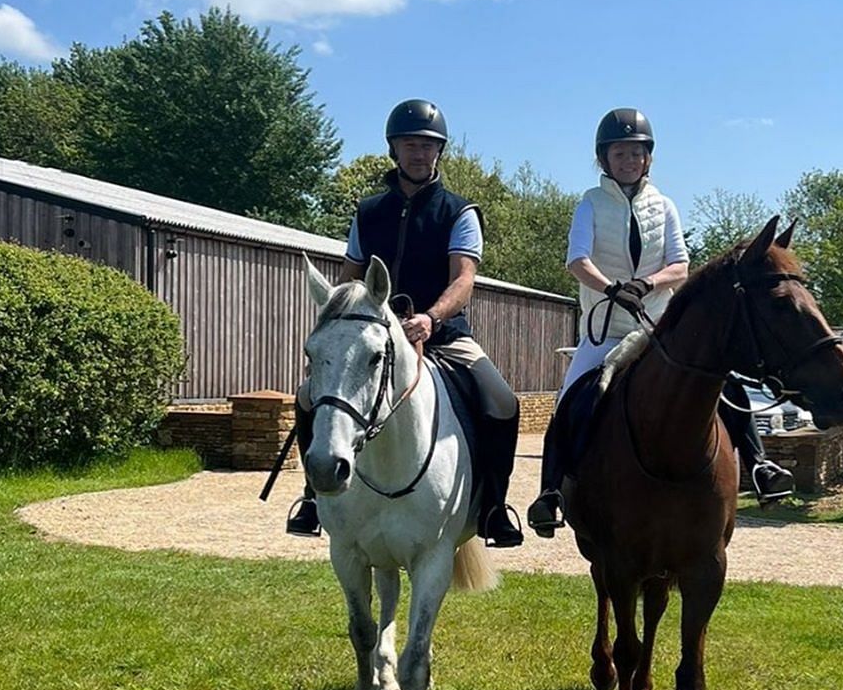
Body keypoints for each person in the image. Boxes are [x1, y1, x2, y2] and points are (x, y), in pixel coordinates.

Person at [526, 107, 795, 535]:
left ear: (647, 158)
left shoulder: (664, 205)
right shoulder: (590, 204)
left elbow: (681, 266)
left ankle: (760, 464)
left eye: (636, 153)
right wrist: (613, 288)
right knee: (570, 399)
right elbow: (577, 260)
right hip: (606, 329)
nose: (629, 161)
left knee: (723, 380)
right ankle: (551, 493)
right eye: (620, 154)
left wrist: (646, 284)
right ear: (604, 159)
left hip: (660, 329)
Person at [287, 99, 524, 548]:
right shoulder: (368, 211)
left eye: (428, 146)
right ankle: (314, 496)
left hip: (440, 335)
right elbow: (349, 282)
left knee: (502, 401)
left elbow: (464, 280)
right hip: (372, 337)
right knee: (307, 396)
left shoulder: (459, 211)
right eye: (410, 144)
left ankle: (494, 507)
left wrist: (432, 317)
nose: (419, 153)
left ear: (440, 152)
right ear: (394, 149)